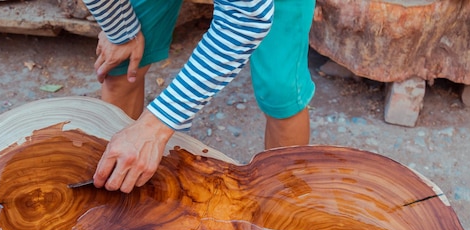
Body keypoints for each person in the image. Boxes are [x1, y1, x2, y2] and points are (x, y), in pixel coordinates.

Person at [83, 0, 316, 193]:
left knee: (279, 89)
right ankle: (114, 180)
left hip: (251, 9)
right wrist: (122, 30)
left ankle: (283, 200)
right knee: (122, 65)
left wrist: (155, 126)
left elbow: (246, 18)